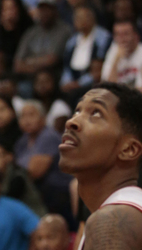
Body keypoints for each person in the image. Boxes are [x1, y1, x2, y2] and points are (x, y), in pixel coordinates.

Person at [59, 83, 142, 249]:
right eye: (77, 110)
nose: (71, 122)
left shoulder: (112, 219)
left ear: (129, 149)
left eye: (96, 113)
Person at [14, 101, 73, 222]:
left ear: (43, 118)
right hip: (37, 192)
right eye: (23, 116)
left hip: (58, 192)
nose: (27, 120)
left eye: (31, 115)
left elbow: (35, 172)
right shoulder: (21, 142)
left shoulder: (48, 136)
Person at [14, 0, 73, 80]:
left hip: (53, 76)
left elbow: (52, 60)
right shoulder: (31, 31)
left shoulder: (64, 30)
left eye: (48, 9)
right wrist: (35, 67)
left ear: (55, 11)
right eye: (41, 9)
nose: (44, 12)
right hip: (29, 77)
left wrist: (29, 61)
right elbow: (17, 64)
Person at [60, 6, 112, 100]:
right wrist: (66, 82)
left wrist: (79, 83)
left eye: (82, 17)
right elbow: (66, 65)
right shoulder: (72, 41)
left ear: (92, 18)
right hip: (74, 82)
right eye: (76, 18)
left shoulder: (103, 38)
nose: (78, 21)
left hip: (92, 83)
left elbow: (99, 66)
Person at [101, 19, 142, 88]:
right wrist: (116, 60)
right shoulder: (114, 50)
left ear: (136, 36)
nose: (122, 39)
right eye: (118, 35)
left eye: (126, 34)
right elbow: (107, 86)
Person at [0, 0, 34, 67]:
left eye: (12, 8)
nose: (9, 12)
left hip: (25, 62)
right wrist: (7, 28)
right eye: (5, 9)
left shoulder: (28, 27)